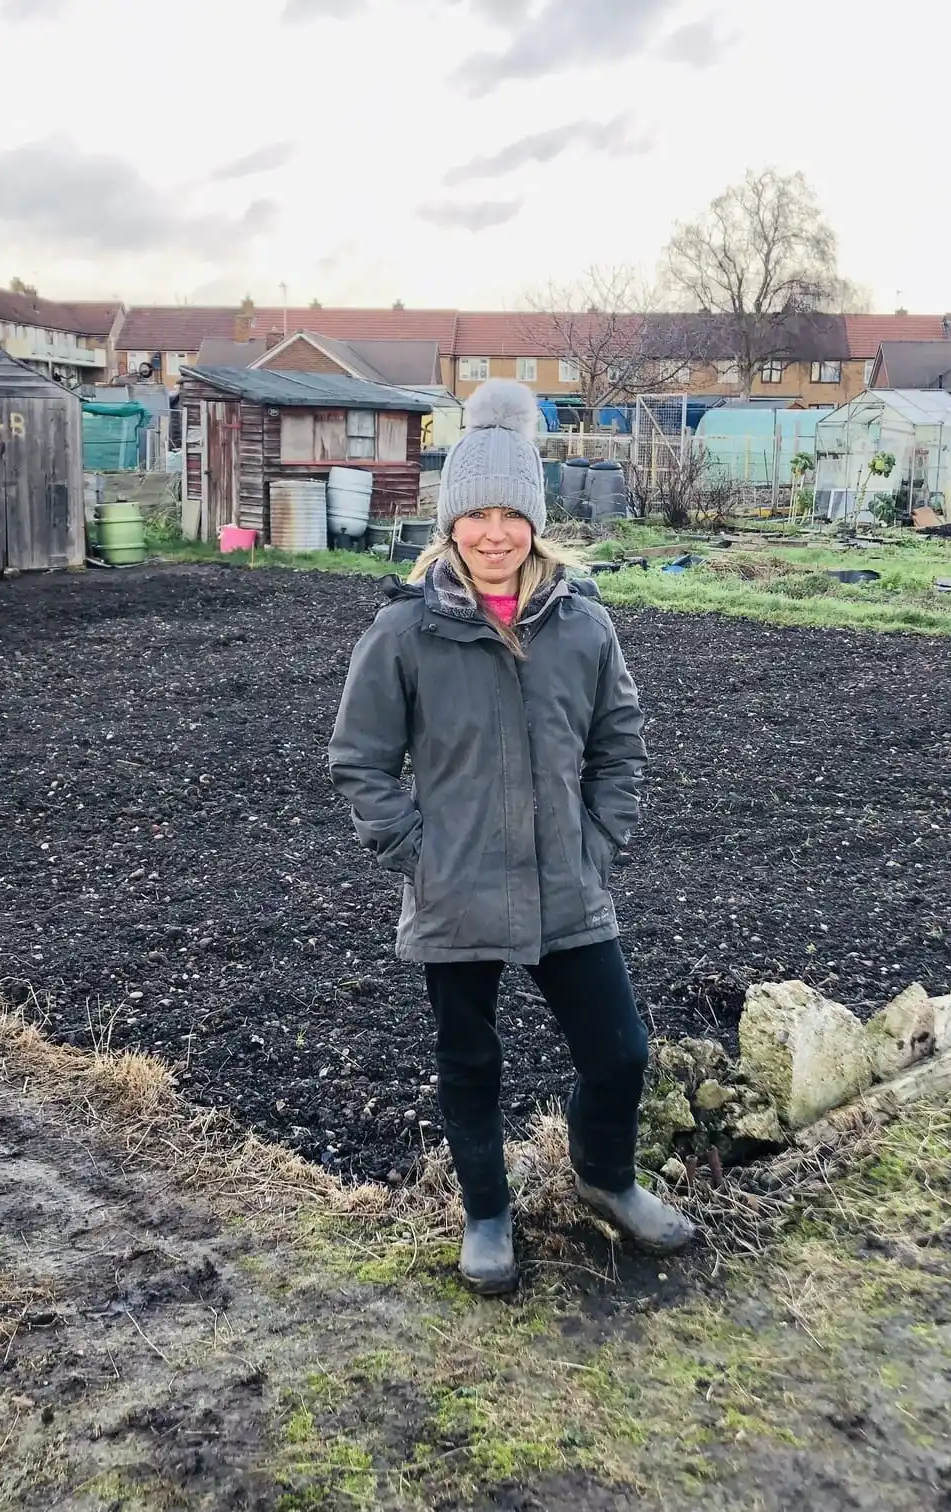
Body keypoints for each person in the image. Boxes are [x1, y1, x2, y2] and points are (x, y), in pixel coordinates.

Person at [328, 379, 697, 1294]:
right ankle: (488, 1214)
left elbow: (620, 745)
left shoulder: (583, 625)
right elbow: (360, 761)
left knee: (620, 1051)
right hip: (454, 890)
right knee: (470, 1060)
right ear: (449, 524)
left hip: (568, 882)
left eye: (511, 515)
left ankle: (606, 1177)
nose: (494, 534)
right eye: (476, 515)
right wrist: (417, 854)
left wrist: (598, 842)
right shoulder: (405, 631)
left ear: (535, 520)